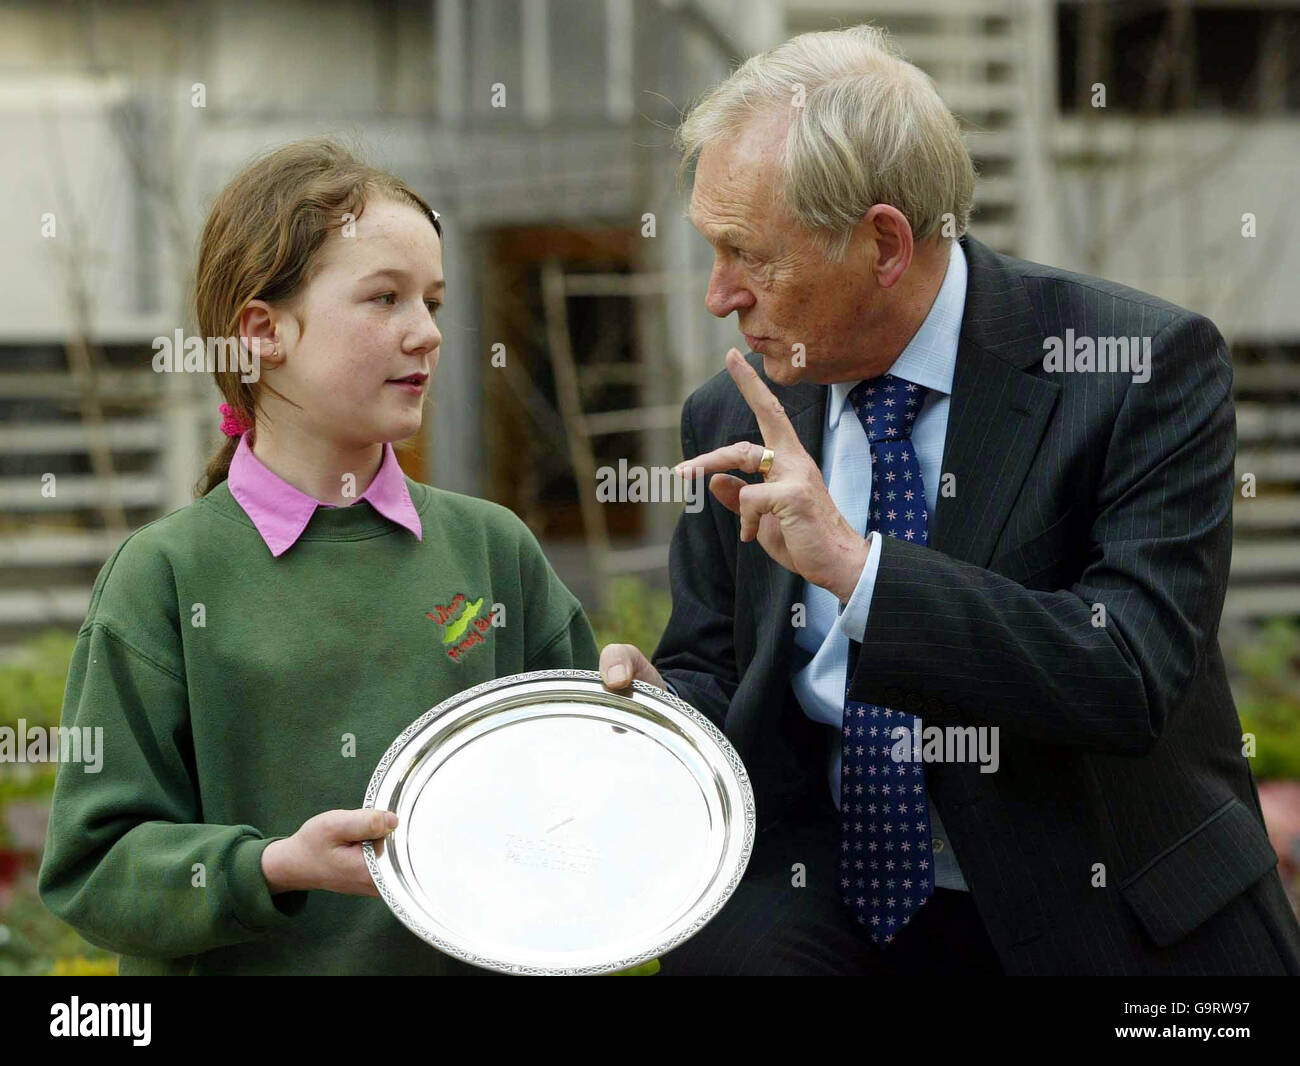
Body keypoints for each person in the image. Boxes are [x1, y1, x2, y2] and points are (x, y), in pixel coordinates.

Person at [598, 24, 1300, 975]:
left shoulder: (1134, 366)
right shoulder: (733, 409)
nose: (720, 294)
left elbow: (1128, 672)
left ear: (885, 243)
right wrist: (661, 707)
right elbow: (723, 667)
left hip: (1103, 906)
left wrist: (856, 571)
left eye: (747, 253)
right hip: (830, 902)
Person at [38, 139, 599, 975]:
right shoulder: (163, 577)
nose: (428, 333)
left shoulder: (495, 550)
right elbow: (95, 871)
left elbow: (580, 808)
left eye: (434, 301)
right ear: (263, 334)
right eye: (384, 299)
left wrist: (632, 723)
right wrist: (273, 866)